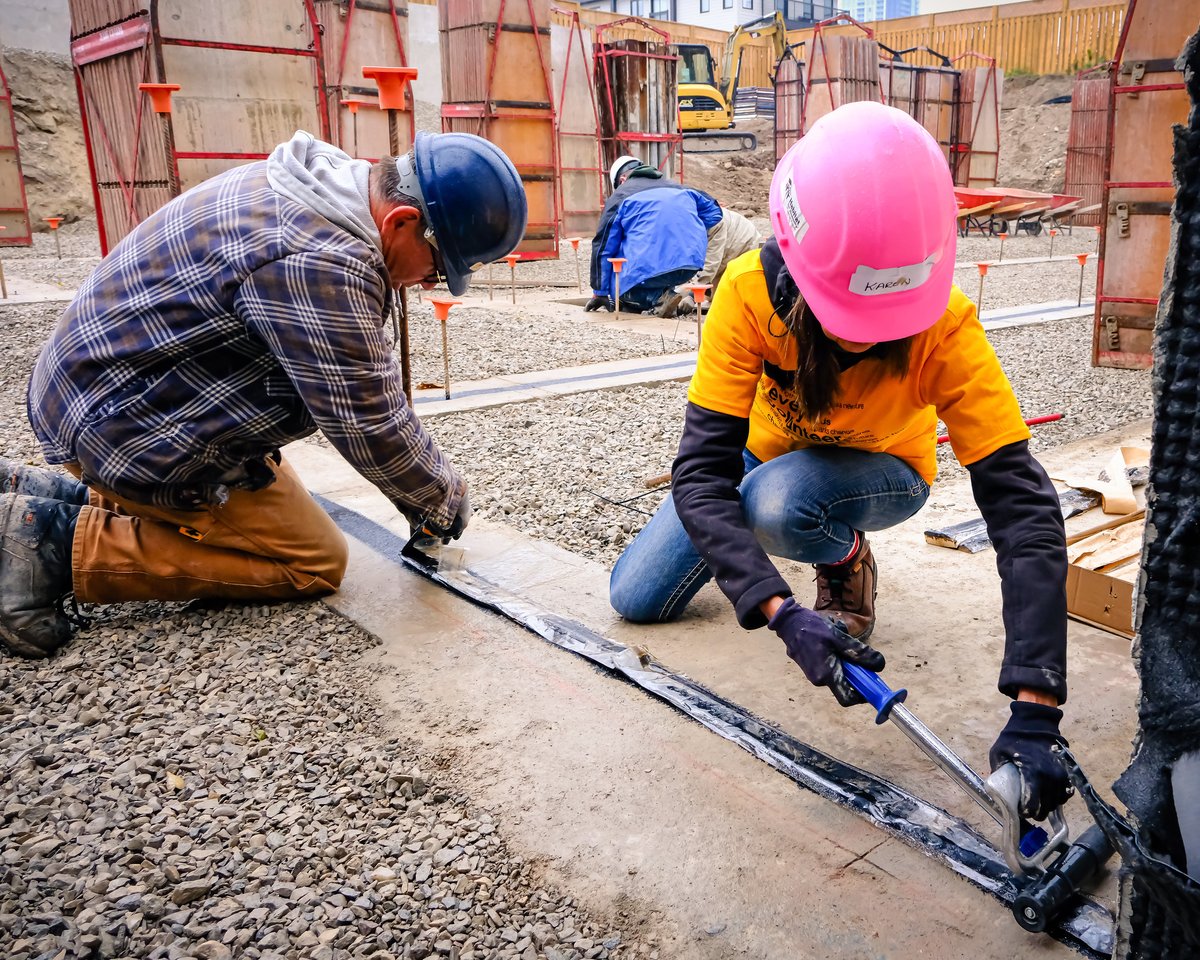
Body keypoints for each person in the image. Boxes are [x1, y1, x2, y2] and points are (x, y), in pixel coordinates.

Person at [608, 102, 1072, 824]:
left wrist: (1037, 705)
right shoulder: (747, 293)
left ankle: (847, 556)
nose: (864, 343)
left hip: (885, 467)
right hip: (775, 451)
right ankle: (818, 549)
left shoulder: (944, 325)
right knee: (635, 596)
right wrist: (779, 611)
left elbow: (1023, 506)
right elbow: (700, 472)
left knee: (773, 503)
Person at [0, 129, 527, 659]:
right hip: (118, 427)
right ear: (402, 222)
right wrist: (438, 496)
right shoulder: (319, 258)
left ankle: (52, 494)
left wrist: (414, 487)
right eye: (437, 268)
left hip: (97, 395)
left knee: (283, 507)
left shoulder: (322, 186)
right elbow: (367, 417)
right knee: (312, 560)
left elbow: (359, 381)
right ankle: (48, 543)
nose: (429, 282)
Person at [586, 155, 756, 317]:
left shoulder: (621, 196)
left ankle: (657, 299)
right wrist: (689, 230)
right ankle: (663, 295)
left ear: (622, 181)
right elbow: (714, 212)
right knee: (658, 276)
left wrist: (600, 291)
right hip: (689, 266)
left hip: (656, 267)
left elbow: (604, 246)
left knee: (618, 286)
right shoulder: (678, 187)